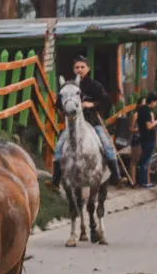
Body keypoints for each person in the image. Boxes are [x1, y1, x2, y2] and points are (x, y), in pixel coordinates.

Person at [48, 56, 121, 189]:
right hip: (73, 124)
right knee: (59, 147)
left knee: (107, 144)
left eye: (82, 67)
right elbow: (58, 103)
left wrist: (92, 104)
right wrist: (64, 105)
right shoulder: (68, 86)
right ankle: (56, 180)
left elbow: (107, 101)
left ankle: (116, 176)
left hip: (92, 122)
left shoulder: (95, 86)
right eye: (77, 67)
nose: (80, 70)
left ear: (88, 68)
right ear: (73, 69)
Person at [133, 92, 157, 189]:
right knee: (145, 161)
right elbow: (149, 126)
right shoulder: (146, 111)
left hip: (143, 137)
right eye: (156, 102)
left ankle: (141, 182)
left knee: (144, 160)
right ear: (152, 101)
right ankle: (144, 182)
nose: (156, 104)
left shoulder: (141, 110)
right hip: (148, 138)